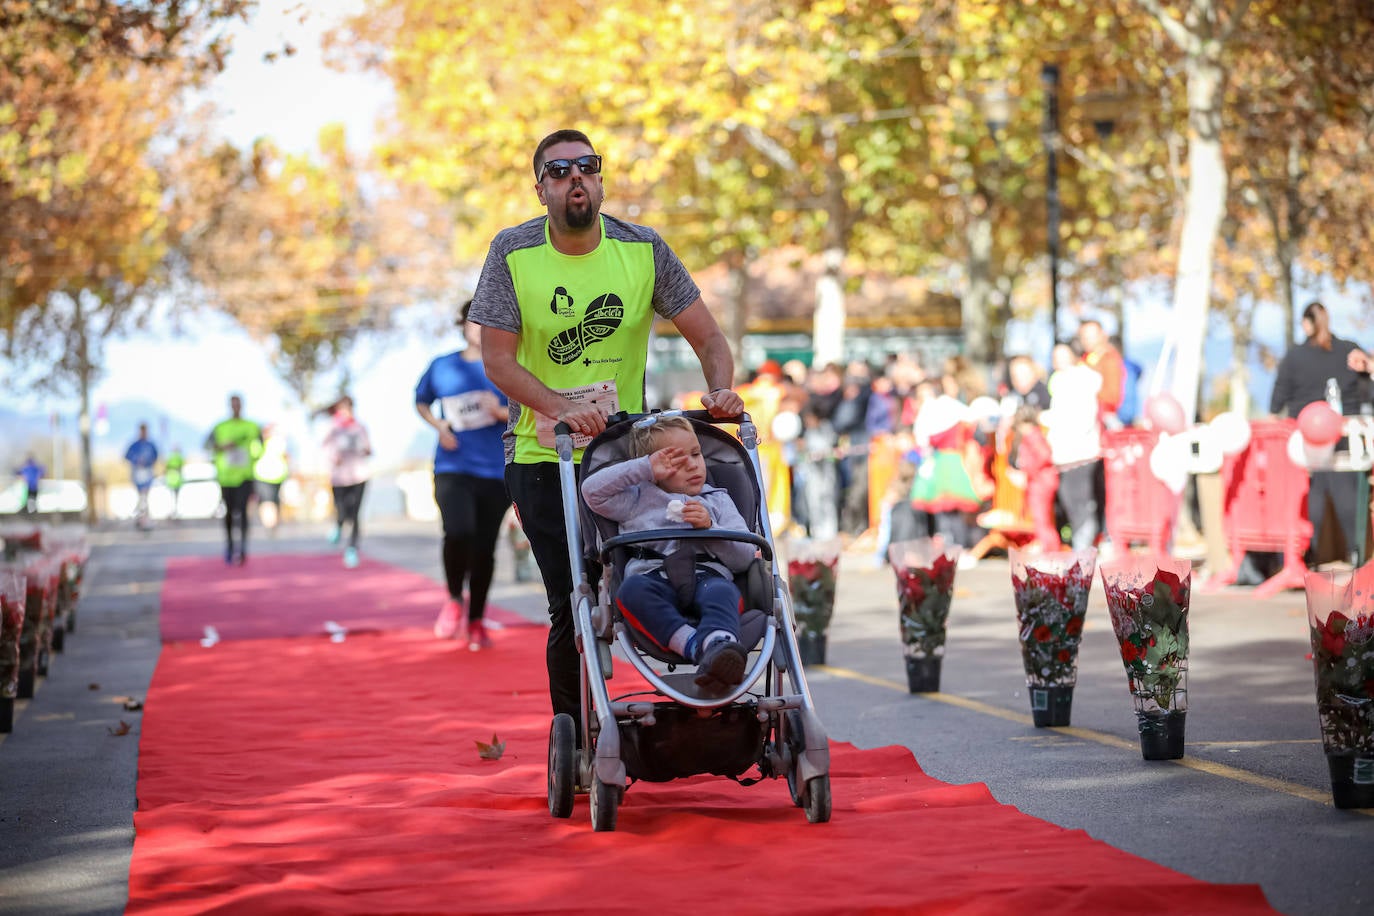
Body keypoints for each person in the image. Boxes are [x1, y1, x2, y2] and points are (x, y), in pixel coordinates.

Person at [468, 128, 743, 726]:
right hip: (543, 457)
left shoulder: (642, 248)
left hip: (626, 454)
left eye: (587, 166)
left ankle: (703, 681)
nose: (575, 177)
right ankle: (580, 736)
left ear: (599, 180)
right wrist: (558, 407)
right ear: (540, 189)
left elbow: (709, 338)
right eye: (559, 170)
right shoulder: (512, 252)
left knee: (661, 574)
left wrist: (720, 389)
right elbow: (498, 361)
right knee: (573, 599)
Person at [580, 416, 756, 689]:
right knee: (631, 592)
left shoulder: (718, 499)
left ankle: (720, 645)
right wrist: (644, 469)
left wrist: (711, 528)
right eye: (676, 461)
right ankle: (696, 645)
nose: (693, 465)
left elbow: (744, 558)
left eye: (696, 454)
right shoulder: (635, 499)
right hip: (652, 575)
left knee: (723, 593)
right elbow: (591, 492)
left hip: (707, 576)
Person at [415, 299, 511, 650]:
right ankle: (455, 598)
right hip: (452, 465)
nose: (480, 328)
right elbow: (421, 400)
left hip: (495, 470)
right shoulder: (442, 366)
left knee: (484, 547)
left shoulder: (507, 364)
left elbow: (533, 407)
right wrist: (438, 425)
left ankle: (477, 620)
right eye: (474, 321)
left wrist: (501, 412)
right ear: (462, 326)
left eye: (488, 321)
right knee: (458, 530)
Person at [1270, 301, 1373, 565]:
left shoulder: (1294, 357)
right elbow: (1368, 391)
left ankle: (1308, 557)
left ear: (1307, 324)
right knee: (1348, 494)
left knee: (1311, 496)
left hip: (1305, 440)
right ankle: (1358, 555)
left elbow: (1277, 401)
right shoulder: (1350, 351)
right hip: (1346, 435)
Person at [1042, 343, 1103, 551]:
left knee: (1079, 502)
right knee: (1071, 501)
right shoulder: (1059, 382)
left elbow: (1080, 419)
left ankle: (1084, 547)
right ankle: (1082, 545)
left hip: (1079, 453)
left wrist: (1055, 426)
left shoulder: (1080, 381)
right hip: (1065, 454)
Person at [205, 394, 261, 565]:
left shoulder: (251, 426)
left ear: (242, 406)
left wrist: (255, 459)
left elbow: (261, 445)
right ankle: (230, 545)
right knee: (229, 512)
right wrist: (221, 447)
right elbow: (207, 445)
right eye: (233, 404)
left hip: (244, 476)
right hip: (226, 478)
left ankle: (242, 548)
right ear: (230, 406)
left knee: (243, 511)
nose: (236, 407)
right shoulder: (220, 427)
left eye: (238, 404)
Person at [322, 395, 372, 570]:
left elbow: (369, 449)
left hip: (359, 475)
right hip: (339, 477)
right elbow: (325, 448)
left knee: (355, 513)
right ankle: (338, 525)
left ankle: (352, 548)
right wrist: (334, 457)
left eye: (348, 408)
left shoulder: (360, 427)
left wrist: (365, 449)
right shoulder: (332, 429)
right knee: (342, 511)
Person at [1078, 319, 1126, 425]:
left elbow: (1113, 396)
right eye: (1083, 337)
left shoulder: (1110, 359)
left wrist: (1087, 391)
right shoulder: (1085, 359)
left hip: (1105, 419)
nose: (1087, 340)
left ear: (1103, 335)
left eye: (1091, 336)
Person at [253, 424, 291, 536]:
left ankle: (270, 524)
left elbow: (254, 454)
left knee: (268, 501)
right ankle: (272, 523)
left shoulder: (265, 442)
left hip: (265, 475)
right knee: (271, 500)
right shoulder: (279, 441)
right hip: (274, 476)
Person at [123, 423, 158, 530]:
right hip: (138, 473)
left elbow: (155, 456)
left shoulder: (150, 445)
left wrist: (148, 462)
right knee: (141, 496)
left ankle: (143, 518)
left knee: (144, 496)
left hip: (147, 472)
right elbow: (127, 456)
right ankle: (141, 518)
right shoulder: (135, 445)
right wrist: (136, 461)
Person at [163, 446, 185, 519]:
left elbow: (167, 467)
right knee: (174, 496)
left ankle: (174, 511)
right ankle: (174, 510)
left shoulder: (172, 457)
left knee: (173, 496)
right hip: (174, 480)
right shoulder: (177, 457)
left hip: (173, 480)